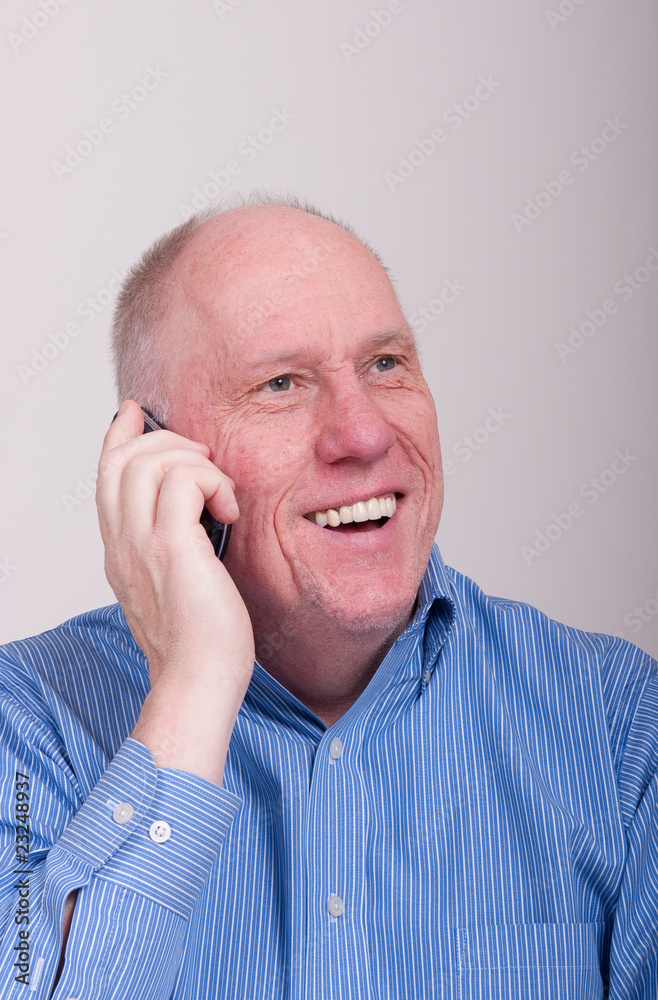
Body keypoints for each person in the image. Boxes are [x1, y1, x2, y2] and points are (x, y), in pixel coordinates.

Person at [0, 193, 656, 1000]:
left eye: (386, 364)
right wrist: (193, 689)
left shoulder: (620, 723)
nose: (365, 434)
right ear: (153, 457)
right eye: (281, 383)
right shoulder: (23, 723)